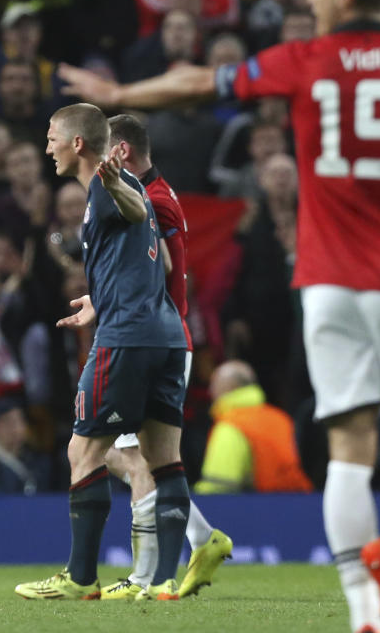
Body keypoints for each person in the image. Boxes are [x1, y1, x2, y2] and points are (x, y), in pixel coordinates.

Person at [59, 0, 380, 631]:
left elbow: (199, 83)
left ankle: (366, 611)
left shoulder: (302, 60)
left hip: (325, 281)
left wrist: (123, 97)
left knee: (348, 445)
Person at [14, 103, 189, 601]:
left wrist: (113, 184)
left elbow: (134, 209)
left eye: (51, 137)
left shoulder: (111, 187)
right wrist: (102, 299)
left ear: (76, 144)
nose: (46, 147)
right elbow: (159, 258)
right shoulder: (120, 188)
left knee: (82, 451)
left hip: (128, 338)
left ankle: (80, 577)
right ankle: (164, 582)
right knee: (164, 459)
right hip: (164, 334)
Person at [100, 114, 233, 601]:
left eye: (103, 151)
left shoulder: (151, 202)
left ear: (123, 154)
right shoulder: (158, 193)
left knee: (130, 455)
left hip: (153, 343)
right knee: (145, 457)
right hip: (158, 339)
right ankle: (201, 539)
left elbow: (167, 266)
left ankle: (146, 576)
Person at [194, 360, 313, 494]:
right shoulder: (280, 418)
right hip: (296, 502)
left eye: (214, 384)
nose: (210, 391)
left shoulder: (230, 425)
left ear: (230, 387)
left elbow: (219, 486)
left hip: (258, 508)